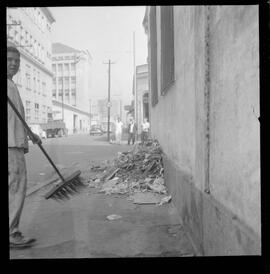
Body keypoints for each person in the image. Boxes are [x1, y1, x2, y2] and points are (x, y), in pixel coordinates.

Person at [8, 46, 41, 249]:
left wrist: (31, 134)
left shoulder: (12, 85)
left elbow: (16, 117)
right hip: (11, 146)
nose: (14, 63)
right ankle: (12, 233)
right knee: (16, 189)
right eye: (9, 59)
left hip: (15, 142)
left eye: (17, 61)